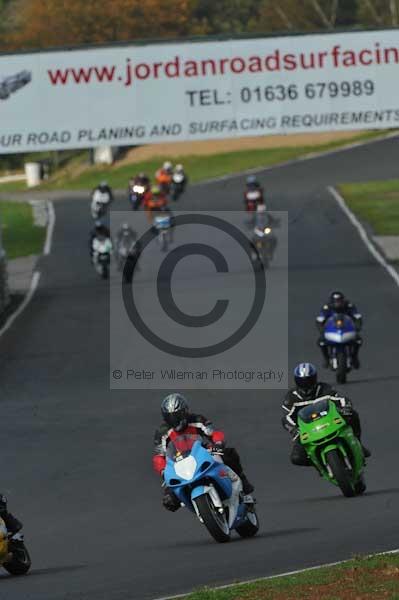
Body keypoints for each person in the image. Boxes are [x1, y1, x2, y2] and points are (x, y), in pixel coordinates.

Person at [153, 394, 254, 512]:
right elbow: (159, 456)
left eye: (177, 416)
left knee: (228, 453)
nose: (175, 421)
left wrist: (218, 442)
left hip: (204, 450)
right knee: (169, 500)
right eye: (170, 418)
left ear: (185, 411)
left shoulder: (197, 420)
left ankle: (243, 484)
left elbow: (214, 433)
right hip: (178, 462)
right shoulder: (162, 433)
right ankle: (194, 504)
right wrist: (163, 470)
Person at [282, 363, 370, 467]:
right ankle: (319, 464)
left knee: (353, 415)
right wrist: (293, 430)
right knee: (297, 458)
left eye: (309, 380)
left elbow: (340, 399)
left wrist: (346, 407)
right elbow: (287, 417)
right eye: (302, 381)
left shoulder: (324, 388)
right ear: (297, 381)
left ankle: (358, 444)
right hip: (306, 431)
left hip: (329, 422)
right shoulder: (291, 397)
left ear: (314, 378)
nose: (306, 383)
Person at [316, 291, 362, 368]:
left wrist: (357, 327)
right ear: (332, 302)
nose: (338, 303)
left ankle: (354, 357)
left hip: (347, 330)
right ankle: (326, 358)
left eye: (339, 301)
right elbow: (319, 321)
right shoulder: (326, 308)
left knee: (358, 340)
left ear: (343, 301)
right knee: (321, 342)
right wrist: (322, 331)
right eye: (335, 302)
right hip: (332, 331)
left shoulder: (349, 306)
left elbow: (357, 318)